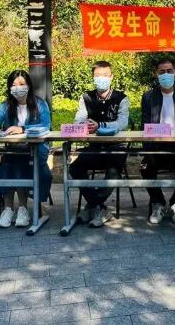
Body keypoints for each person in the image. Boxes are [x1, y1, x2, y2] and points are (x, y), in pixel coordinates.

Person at [0, 70, 52, 228]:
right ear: (10, 87)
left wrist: (22, 129)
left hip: (34, 151)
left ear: (29, 86)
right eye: (14, 85)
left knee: (19, 165)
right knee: (7, 166)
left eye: (22, 84)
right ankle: (8, 209)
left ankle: (22, 208)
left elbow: (46, 125)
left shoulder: (40, 104)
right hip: (13, 150)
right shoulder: (6, 106)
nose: (18, 88)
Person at [69, 61, 130, 228]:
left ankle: (91, 206)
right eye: (97, 76)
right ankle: (99, 207)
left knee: (114, 172)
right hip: (94, 148)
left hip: (116, 148)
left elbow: (122, 123)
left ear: (111, 77)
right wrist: (84, 126)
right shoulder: (86, 97)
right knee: (74, 168)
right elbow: (78, 120)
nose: (101, 79)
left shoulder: (121, 98)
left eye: (105, 75)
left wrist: (101, 126)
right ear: (93, 77)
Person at [140, 58, 175, 225]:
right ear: (156, 74)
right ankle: (158, 203)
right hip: (157, 146)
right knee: (146, 168)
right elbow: (145, 125)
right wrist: (148, 148)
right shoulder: (148, 96)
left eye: (169, 71)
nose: (166, 74)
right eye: (162, 72)